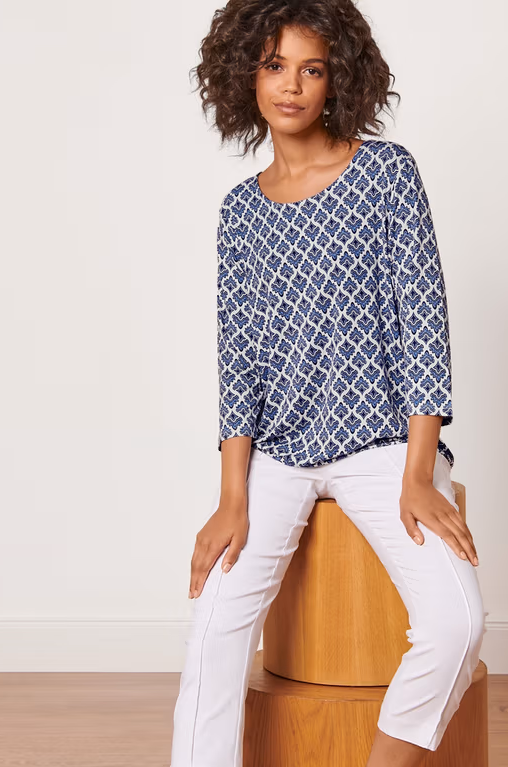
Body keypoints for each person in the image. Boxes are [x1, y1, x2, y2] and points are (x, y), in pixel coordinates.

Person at [170, 2, 486, 765]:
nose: (291, 85)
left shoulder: (386, 173)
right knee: (212, 631)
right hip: (277, 455)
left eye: (311, 69)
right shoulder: (240, 213)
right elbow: (239, 359)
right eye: (274, 65)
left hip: (383, 445)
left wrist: (419, 471)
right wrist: (233, 495)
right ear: (244, 76)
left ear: (338, 77)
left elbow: (424, 323)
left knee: (456, 622)